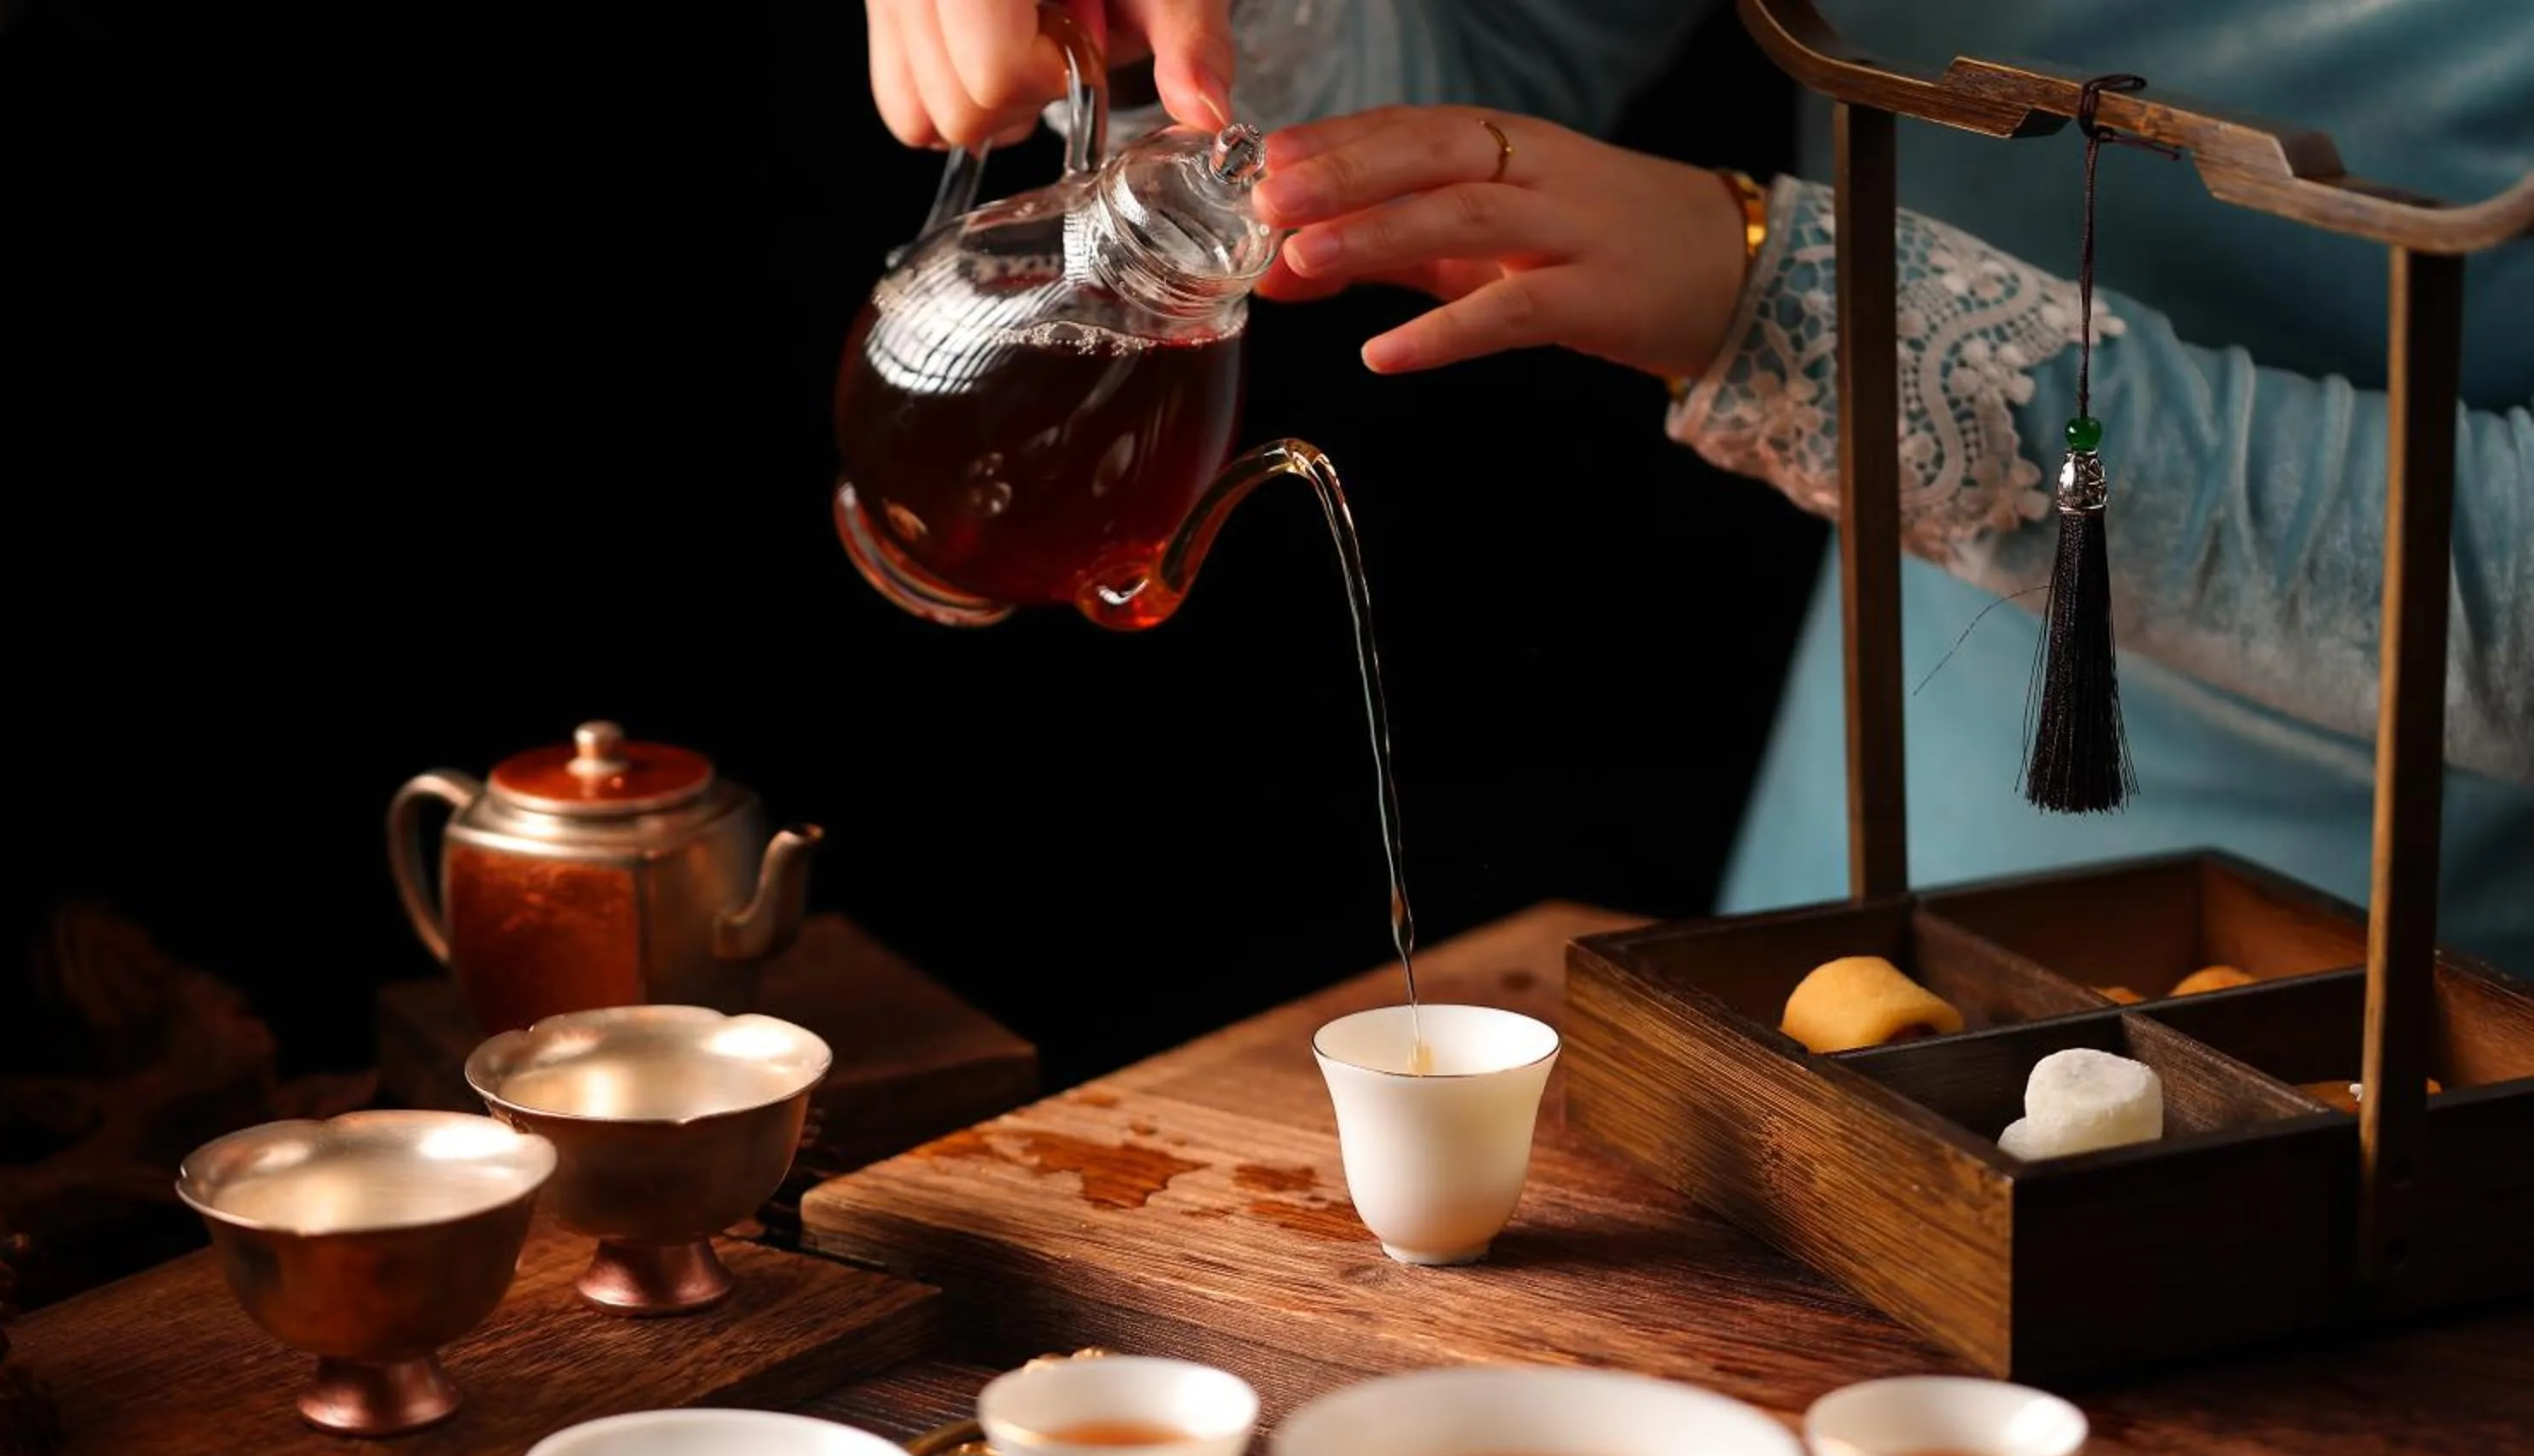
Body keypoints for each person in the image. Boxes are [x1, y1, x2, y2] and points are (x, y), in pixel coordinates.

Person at [862, 0, 2534, 978]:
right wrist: (1236, 26)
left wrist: (1793, 311)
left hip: (2443, 1017)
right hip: (1866, 932)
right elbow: (1502, 42)